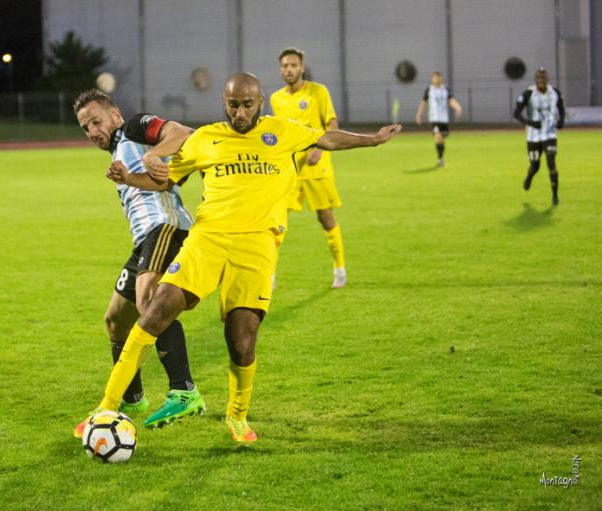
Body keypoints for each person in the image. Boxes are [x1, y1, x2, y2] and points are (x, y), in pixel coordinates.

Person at [86, 73, 401, 443]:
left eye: (247, 104)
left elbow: (325, 137)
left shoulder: (281, 131)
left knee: (241, 339)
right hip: (208, 239)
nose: (239, 112)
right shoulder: (205, 138)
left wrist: (373, 140)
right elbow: (166, 181)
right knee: (156, 309)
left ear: (260, 102)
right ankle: (107, 407)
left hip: (257, 247)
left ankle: (237, 416)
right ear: (224, 101)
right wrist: (129, 177)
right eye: (233, 104)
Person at [72, 89, 205, 438]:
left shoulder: (133, 128)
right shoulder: (119, 153)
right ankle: (133, 400)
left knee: (150, 302)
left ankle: (184, 390)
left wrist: (156, 154)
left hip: (166, 228)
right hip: (144, 240)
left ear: (115, 115)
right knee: (116, 321)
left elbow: (183, 133)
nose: (92, 132)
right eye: (85, 127)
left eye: (96, 121)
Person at [270, 47, 347, 288]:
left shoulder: (318, 92)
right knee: (274, 221)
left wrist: (320, 149)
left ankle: (339, 269)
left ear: (301, 68)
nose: (289, 69)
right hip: (289, 170)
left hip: (317, 169)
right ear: (280, 69)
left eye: (293, 65)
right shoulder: (276, 98)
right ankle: (268, 274)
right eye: (285, 66)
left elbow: (331, 123)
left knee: (326, 219)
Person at [513, 67, 565, 206]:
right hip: (533, 136)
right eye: (538, 78)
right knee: (535, 165)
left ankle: (555, 196)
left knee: (551, 161)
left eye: (543, 78)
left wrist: (561, 121)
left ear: (547, 79)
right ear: (535, 80)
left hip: (550, 134)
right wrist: (530, 123)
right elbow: (516, 113)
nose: (541, 80)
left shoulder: (555, 92)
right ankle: (530, 175)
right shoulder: (528, 93)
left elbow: (561, 109)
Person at [415, 71, 462, 167]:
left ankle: (441, 157)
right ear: (432, 79)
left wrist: (457, 107)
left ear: (441, 78)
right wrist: (419, 114)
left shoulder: (445, 89)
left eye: (438, 77)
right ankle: (440, 159)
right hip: (434, 119)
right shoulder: (429, 90)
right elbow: (423, 102)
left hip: (444, 119)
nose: (437, 79)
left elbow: (451, 100)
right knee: (438, 136)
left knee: (441, 139)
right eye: (435, 78)